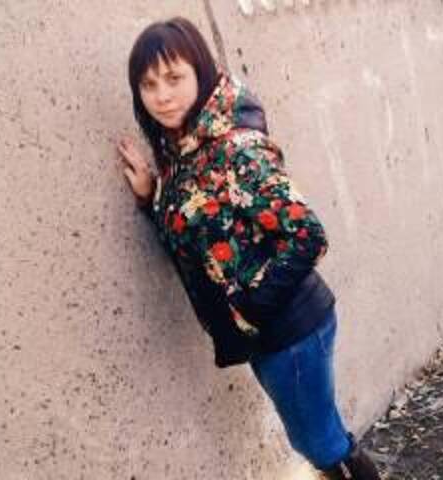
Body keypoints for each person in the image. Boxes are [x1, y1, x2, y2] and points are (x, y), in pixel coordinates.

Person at [116, 16, 381, 480]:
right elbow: (198, 235)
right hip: (270, 333)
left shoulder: (234, 149)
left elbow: (308, 235)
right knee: (320, 435)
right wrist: (151, 199)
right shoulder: (185, 150)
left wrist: (248, 308)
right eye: (149, 84)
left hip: (290, 331)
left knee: (319, 443)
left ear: (200, 72)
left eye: (174, 78)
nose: (162, 95)